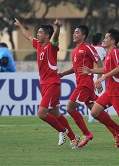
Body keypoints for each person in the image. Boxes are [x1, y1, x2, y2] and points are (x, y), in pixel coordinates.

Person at [14, 17, 81, 149]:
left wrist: (58, 27)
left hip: (52, 84)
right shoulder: (38, 45)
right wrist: (20, 26)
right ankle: (74, 138)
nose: (37, 34)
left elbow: (56, 37)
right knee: (55, 113)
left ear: (47, 36)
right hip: (44, 84)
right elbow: (28, 36)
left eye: (40, 32)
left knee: (42, 113)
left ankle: (63, 131)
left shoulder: (51, 46)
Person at [59, 25, 119, 148]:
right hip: (82, 84)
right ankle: (117, 130)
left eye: (77, 32)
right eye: (74, 32)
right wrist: (63, 74)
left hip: (85, 84)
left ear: (83, 36)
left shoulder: (87, 48)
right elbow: (76, 68)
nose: (74, 34)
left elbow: (99, 62)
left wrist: (99, 80)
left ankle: (86, 133)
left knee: (70, 108)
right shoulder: (75, 50)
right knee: (95, 111)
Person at [87, 33, 107, 123]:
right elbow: (102, 64)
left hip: (89, 74)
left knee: (91, 97)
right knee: (101, 98)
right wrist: (99, 80)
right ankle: (102, 117)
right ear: (100, 40)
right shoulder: (102, 49)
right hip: (98, 74)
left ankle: (91, 118)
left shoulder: (89, 48)